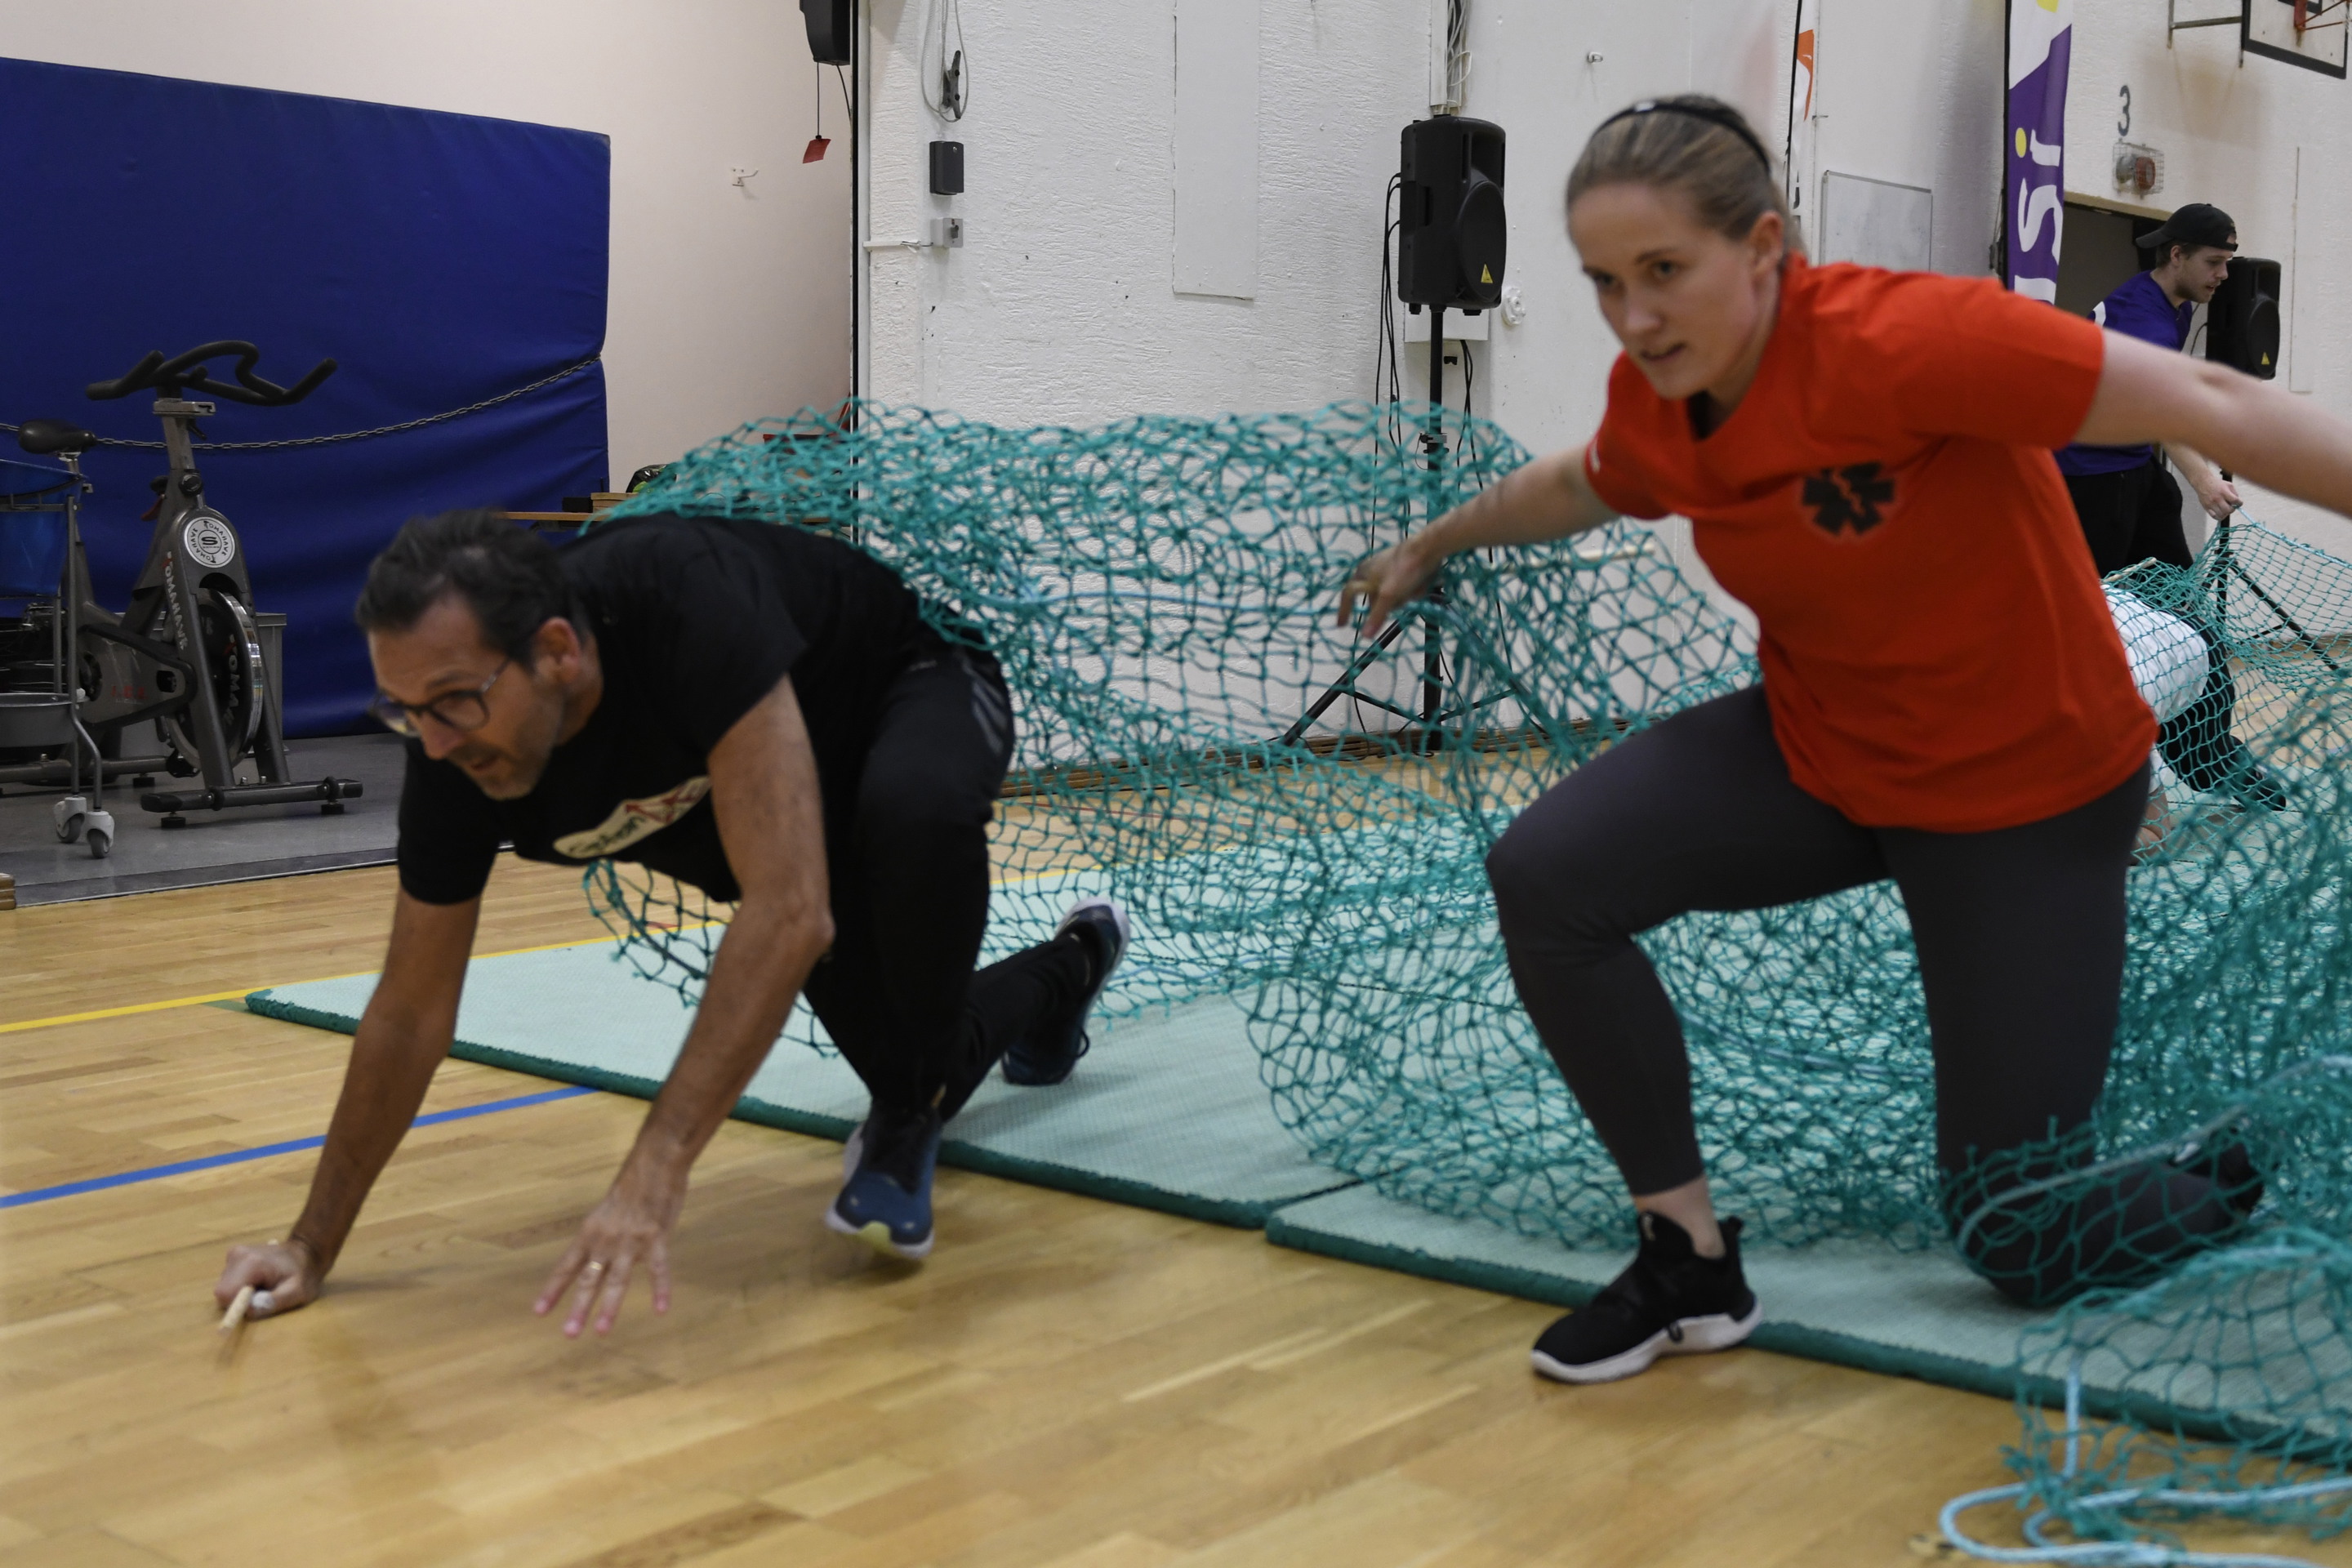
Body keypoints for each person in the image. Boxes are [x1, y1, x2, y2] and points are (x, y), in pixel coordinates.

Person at [1339, 96, 2352, 1385]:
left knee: (2018, 1231)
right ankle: (1688, 1263)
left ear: (1764, 248)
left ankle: (2243, 1161)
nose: (1633, 316)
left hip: (2025, 801)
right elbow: (1581, 481)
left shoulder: (1905, 337)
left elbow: (2214, 398)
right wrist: (1431, 543)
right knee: (1548, 877)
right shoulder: (1666, 397)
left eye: (1664, 271)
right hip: (1823, 755)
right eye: (1604, 282)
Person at [212, 510, 1129, 1337]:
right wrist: (309, 1246)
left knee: (912, 813)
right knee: (919, 1066)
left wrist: (655, 1167)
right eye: (405, 711)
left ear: (559, 652)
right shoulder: (453, 756)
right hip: (779, 804)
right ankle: (1075, 963)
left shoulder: (683, 598)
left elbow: (789, 910)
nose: (437, 740)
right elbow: (411, 1009)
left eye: (454, 700)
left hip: (911, 683)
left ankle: (916, 1104)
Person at [2059, 202, 2282, 810]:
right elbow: (2156, 410)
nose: (2224, 276)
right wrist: (2204, 480)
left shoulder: (2173, 308)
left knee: (2185, 613)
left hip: (2134, 474)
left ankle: (2208, 753)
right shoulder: (2141, 317)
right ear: (2176, 255)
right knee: (2095, 636)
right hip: (2091, 487)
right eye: (2214, 262)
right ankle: (2091, 773)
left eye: (2229, 262)